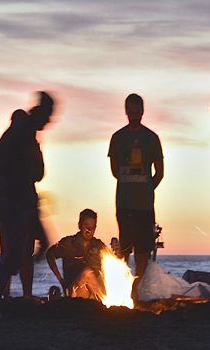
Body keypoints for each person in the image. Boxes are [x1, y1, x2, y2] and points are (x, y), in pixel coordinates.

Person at [0, 92, 55, 317]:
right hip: (16, 202)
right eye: (48, 117)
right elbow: (35, 171)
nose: (49, 122)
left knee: (39, 244)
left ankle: (14, 281)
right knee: (14, 254)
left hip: (23, 200)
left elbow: (37, 172)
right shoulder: (23, 132)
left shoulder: (24, 134)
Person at [107, 93, 163, 298]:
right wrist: (128, 179)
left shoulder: (152, 138)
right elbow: (114, 169)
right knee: (125, 249)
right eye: (130, 111)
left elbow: (160, 172)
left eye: (137, 111)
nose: (134, 115)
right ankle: (124, 287)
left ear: (142, 111)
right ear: (126, 111)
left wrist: (148, 187)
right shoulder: (118, 137)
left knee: (143, 250)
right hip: (124, 202)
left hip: (145, 205)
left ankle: (136, 291)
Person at [45, 209, 108, 300]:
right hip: (76, 292)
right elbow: (49, 255)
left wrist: (117, 253)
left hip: (95, 294)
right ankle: (108, 301)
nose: (89, 230)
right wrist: (62, 281)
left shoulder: (99, 246)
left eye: (92, 227)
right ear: (79, 225)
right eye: (86, 226)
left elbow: (113, 263)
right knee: (87, 273)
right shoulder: (68, 243)